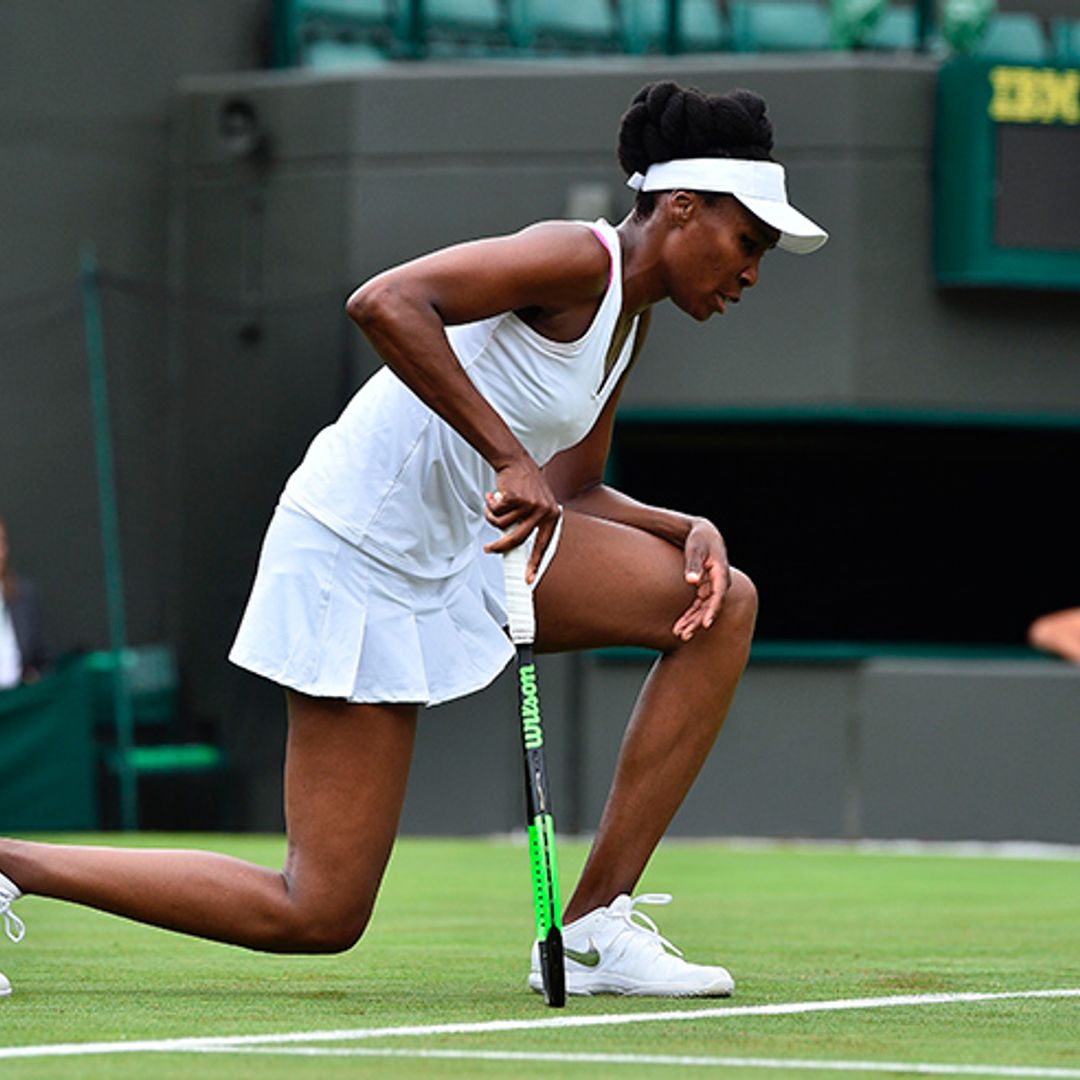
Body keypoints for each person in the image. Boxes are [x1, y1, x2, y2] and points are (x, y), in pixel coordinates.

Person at [0, 80, 827, 998]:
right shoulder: (574, 258)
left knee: (719, 600)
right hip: (355, 555)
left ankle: (592, 928)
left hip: (463, 547)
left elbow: (570, 489)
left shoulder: (627, 325)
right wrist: (508, 456)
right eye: (746, 241)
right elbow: (387, 301)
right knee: (316, 913)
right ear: (680, 208)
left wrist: (684, 526)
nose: (752, 270)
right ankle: (11, 865)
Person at [0, 516, 48, 691]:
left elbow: (41, 659)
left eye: (1, 542)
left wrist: (33, 676)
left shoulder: (24, 594)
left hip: (17, 703)